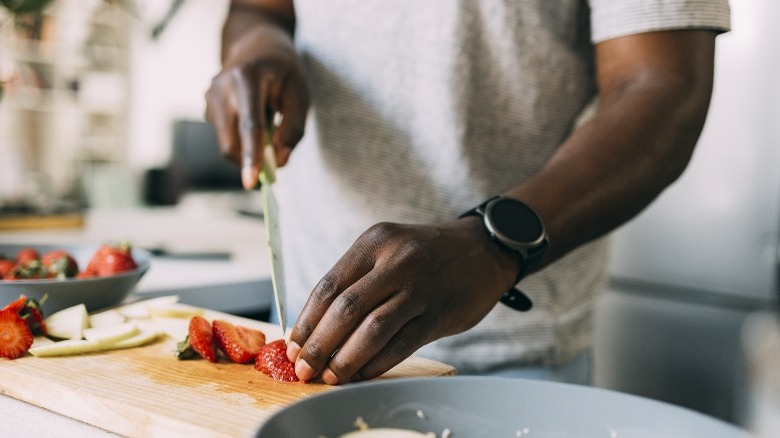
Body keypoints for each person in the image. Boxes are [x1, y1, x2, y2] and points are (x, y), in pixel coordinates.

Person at [205, 0, 730, 385]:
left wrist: (495, 244)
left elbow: (662, 83)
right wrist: (257, 46)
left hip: (513, 360)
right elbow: (259, 9)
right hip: (308, 333)